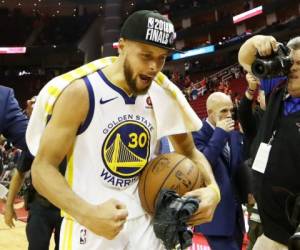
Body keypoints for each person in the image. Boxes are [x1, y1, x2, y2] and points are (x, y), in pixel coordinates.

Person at [27, 10, 221, 250]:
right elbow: (42, 168)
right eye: (146, 55)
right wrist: (87, 214)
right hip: (90, 227)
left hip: (147, 228)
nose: (154, 67)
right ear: (121, 46)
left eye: (161, 58)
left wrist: (213, 190)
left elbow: (190, 152)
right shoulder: (81, 93)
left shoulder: (162, 93)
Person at [238, 35, 300, 249]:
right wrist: (257, 40)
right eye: (291, 62)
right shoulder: (278, 87)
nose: (293, 68)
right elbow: (244, 58)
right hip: (271, 229)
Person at [4, 97, 63, 250]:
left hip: (68, 209)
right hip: (41, 207)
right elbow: (19, 174)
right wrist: (9, 206)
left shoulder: (79, 139)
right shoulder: (37, 140)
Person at [192, 92, 245, 250]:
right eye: (223, 111)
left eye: (231, 110)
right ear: (210, 113)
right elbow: (203, 165)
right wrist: (220, 133)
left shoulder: (233, 135)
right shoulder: (196, 134)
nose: (229, 115)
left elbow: (237, 168)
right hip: (215, 218)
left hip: (235, 217)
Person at [238, 72, 265, 250]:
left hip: (282, 189)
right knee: (257, 235)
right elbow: (244, 111)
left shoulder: (284, 116)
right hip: (257, 188)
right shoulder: (255, 118)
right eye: (262, 94)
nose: (265, 96)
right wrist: (251, 89)